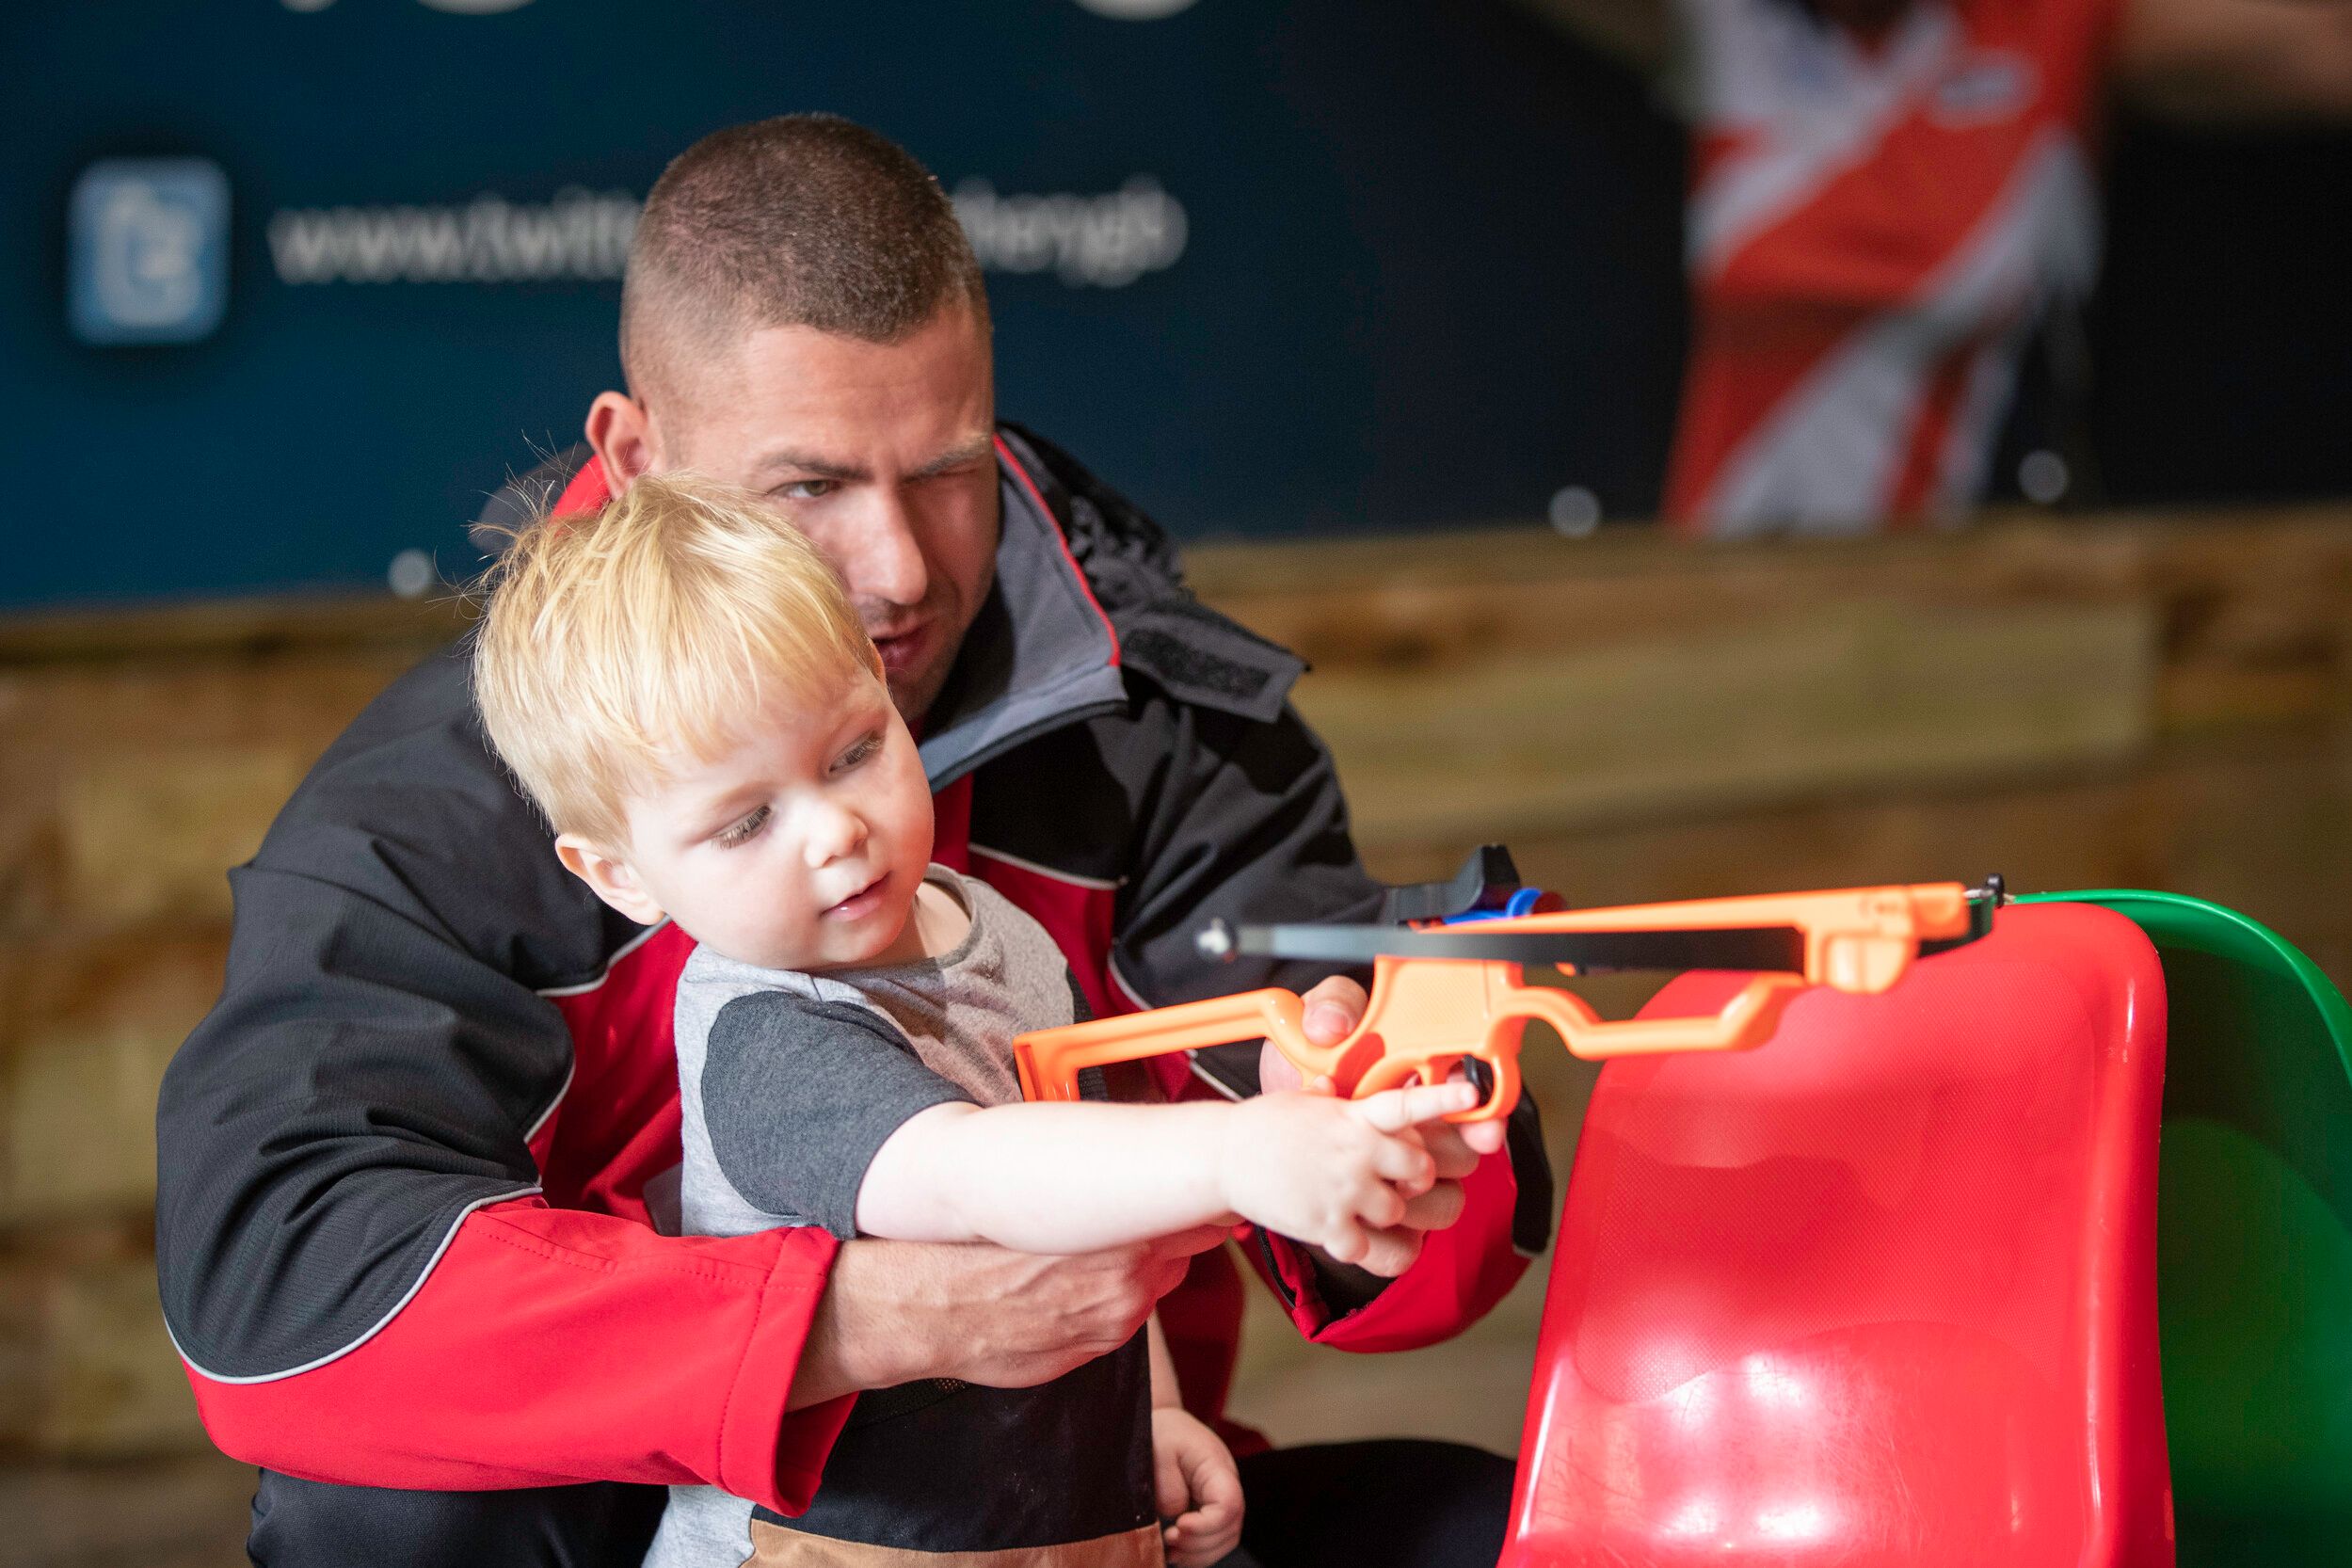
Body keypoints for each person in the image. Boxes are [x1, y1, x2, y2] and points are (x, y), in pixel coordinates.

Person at [155, 115, 1549, 1568]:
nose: (895, 572)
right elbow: (285, 1301)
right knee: (387, 1513)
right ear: (637, 456)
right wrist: (849, 1323)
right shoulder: (424, 811)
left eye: (948, 468)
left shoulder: (1158, 735)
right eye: (809, 486)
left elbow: (1406, 1264)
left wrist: (1399, 1134)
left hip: (1089, 1502)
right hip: (687, 1515)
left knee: (1495, 1524)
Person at [471, 470, 1489, 1568]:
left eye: (853, 753)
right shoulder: (766, 1037)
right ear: (621, 873)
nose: (835, 831)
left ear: (884, 692)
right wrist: (1242, 1152)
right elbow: (973, 1175)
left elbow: (1095, 1197)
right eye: (747, 821)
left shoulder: (996, 929)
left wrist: (1149, 1414)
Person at [1512, 0, 2352, 535]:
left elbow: (2326, 42)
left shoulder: (2045, 31)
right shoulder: (1734, 32)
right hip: (1722, 599)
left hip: (1967, 612)